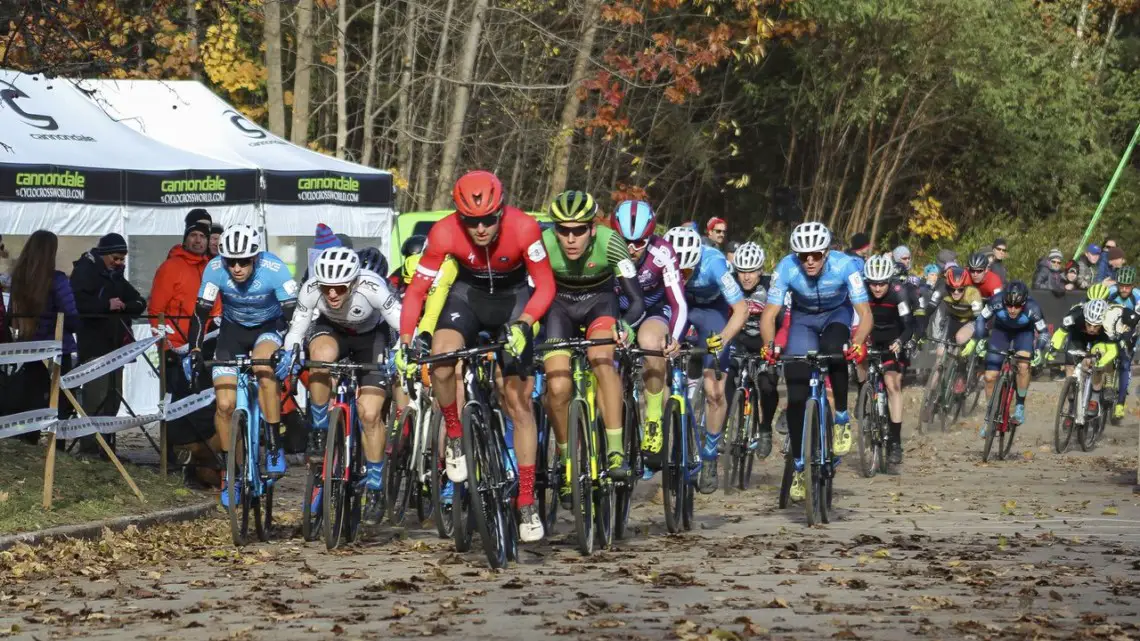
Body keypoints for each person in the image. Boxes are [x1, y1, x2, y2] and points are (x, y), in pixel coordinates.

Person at [396, 170, 555, 543]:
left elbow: (546, 285)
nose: (481, 229)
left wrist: (526, 324)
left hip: (514, 299)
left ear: (502, 210)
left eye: (488, 220)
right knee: (441, 355)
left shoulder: (526, 228)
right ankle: (455, 433)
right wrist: (406, 338)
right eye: (472, 221)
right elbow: (418, 290)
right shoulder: (443, 232)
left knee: (517, 400)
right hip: (469, 296)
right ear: (459, 217)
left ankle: (527, 499)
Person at [282, 247, 401, 524]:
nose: (332, 294)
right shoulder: (312, 289)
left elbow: (403, 323)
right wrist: (291, 354)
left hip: (372, 338)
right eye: (326, 288)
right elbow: (296, 331)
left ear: (355, 282)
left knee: (370, 413)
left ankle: (374, 486)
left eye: (339, 288)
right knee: (319, 359)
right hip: (332, 331)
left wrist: (401, 351)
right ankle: (320, 428)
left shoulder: (373, 286)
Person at [185, 225, 298, 504]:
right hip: (233, 332)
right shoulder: (214, 269)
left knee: (263, 367)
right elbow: (200, 313)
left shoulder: (275, 269)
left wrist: (291, 350)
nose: (236, 268)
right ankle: (231, 474)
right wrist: (195, 349)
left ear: (256, 258)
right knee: (224, 405)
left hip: (270, 328)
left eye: (244, 261)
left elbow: (295, 315)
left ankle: (273, 444)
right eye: (230, 261)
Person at [540, 190, 644, 496]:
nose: (571, 239)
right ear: (554, 230)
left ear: (592, 229)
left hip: (600, 305)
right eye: (563, 230)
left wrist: (626, 326)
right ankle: (565, 456)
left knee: (601, 360)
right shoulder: (543, 246)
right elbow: (530, 296)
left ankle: (614, 451)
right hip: (558, 307)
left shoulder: (611, 243)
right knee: (557, 387)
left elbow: (636, 299)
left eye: (579, 230)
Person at [759, 222, 872, 501]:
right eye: (803, 255)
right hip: (803, 320)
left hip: (837, 315)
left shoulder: (845, 265)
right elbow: (769, 313)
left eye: (816, 255)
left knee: (835, 349)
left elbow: (865, 313)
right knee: (796, 394)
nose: (809, 261)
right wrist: (770, 345)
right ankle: (799, 464)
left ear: (827, 253)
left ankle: (842, 417)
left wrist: (858, 343)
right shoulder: (786, 267)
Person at [665, 225, 748, 494]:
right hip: (679, 307)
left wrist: (723, 339)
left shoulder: (715, 264)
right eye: (680, 272)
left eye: (688, 272)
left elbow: (741, 309)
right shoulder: (662, 258)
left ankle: (710, 454)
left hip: (712, 312)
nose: (684, 276)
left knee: (714, 391)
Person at [610, 200, 687, 469]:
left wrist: (674, 337)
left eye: (639, 242)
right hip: (616, 311)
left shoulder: (662, 252)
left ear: (650, 236)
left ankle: (653, 416)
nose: (631, 249)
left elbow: (678, 302)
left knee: (650, 342)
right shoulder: (606, 247)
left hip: (653, 310)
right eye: (625, 241)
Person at [149, 218, 220, 486]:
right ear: (186, 238)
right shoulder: (170, 267)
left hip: (206, 349)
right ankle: (174, 461)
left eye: (203, 236)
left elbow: (217, 306)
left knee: (205, 407)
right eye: (194, 236)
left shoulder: (213, 268)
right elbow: (156, 311)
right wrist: (167, 344)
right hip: (177, 349)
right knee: (177, 407)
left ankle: (202, 462)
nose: (199, 240)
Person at [70, 233, 147, 455]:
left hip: (116, 348)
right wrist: (105, 304)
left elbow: (139, 301)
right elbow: (77, 302)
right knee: (96, 397)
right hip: (94, 347)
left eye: (123, 259)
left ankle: (106, 446)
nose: (120, 263)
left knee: (113, 397)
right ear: (104, 254)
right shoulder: (85, 270)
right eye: (116, 258)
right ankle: (90, 447)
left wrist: (125, 306)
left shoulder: (116, 276)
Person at [3, 231, 81, 436]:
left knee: (32, 402)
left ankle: (29, 441)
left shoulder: (19, 280)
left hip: (30, 350)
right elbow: (71, 317)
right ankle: (58, 448)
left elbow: (12, 315)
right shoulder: (57, 280)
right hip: (58, 350)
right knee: (61, 404)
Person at [860, 255, 913, 470]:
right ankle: (864, 392)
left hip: (893, 340)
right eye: (873, 283)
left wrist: (900, 341)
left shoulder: (898, 294)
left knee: (892, 385)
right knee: (859, 358)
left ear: (889, 281)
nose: (877, 288)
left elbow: (909, 324)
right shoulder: (862, 292)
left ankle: (895, 442)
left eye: (882, 283)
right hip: (871, 337)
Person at [974, 281, 1048, 427]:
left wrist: (1039, 349)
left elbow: (1044, 332)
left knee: (1023, 365)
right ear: (1003, 301)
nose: (1012, 310)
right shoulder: (995, 301)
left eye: (1017, 306)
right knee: (990, 377)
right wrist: (980, 339)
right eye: (1009, 305)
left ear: (1024, 303)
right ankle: (990, 414)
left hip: (1023, 333)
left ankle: (1020, 405)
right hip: (1001, 332)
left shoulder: (1033, 308)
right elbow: (981, 319)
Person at [730, 241, 778, 458]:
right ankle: (723, 427)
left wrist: (775, 347)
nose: (746, 277)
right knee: (726, 375)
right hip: (738, 338)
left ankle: (765, 427)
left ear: (760, 271)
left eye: (751, 271)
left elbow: (784, 318)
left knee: (767, 384)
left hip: (763, 340)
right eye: (741, 271)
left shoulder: (770, 286)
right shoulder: (729, 284)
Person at [921, 267, 983, 422]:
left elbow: (980, 320)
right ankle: (929, 400)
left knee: (961, 339)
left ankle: (962, 373)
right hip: (953, 320)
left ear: (966, 287)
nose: (955, 293)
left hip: (970, 321)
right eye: (952, 289)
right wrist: (920, 329)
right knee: (940, 354)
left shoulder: (972, 294)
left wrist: (975, 339)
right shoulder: (941, 290)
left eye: (960, 289)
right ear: (947, 286)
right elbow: (929, 310)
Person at [1047, 299, 1116, 416]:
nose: (1092, 329)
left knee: (1094, 362)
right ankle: (1071, 404)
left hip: (1099, 341)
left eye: (1096, 326)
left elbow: (1112, 350)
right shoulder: (1076, 315)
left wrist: (1101, 362)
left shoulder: (1109, 324)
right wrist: (1052, 350)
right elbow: (1060, 333)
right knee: (1069, 364)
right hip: (1078, 338)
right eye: (1089, 324)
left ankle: (1094, 399)